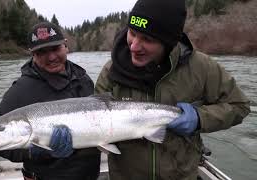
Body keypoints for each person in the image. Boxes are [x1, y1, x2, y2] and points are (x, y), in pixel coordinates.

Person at [94, 0, 251, 179]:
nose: (134, 46)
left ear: (169, 42)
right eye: (132, 33)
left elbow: (239, 105)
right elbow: (98, 128)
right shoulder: (111, 71)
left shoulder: (202, 68)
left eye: (148, 39)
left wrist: (200, 118)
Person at [0, 22, 100, 180]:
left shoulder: (83, 78)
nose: (51, 57)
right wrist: (34, 151)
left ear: (65, 46)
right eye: (42, 52)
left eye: (55, 48)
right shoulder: (20, 90)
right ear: (33, 54)